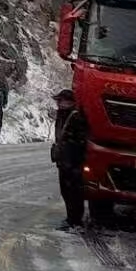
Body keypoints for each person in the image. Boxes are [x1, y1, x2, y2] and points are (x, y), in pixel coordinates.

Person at [52, 90, 91, 229]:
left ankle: (75, 220)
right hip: (64, 161)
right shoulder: (63, 115)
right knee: (66, 191)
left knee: (73, 191)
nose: (58, 104)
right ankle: (71, 218)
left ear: (70, 102)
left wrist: (72, 158)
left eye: (61, 101)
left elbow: (80, 141)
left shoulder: (76, 117)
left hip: (73, 162)